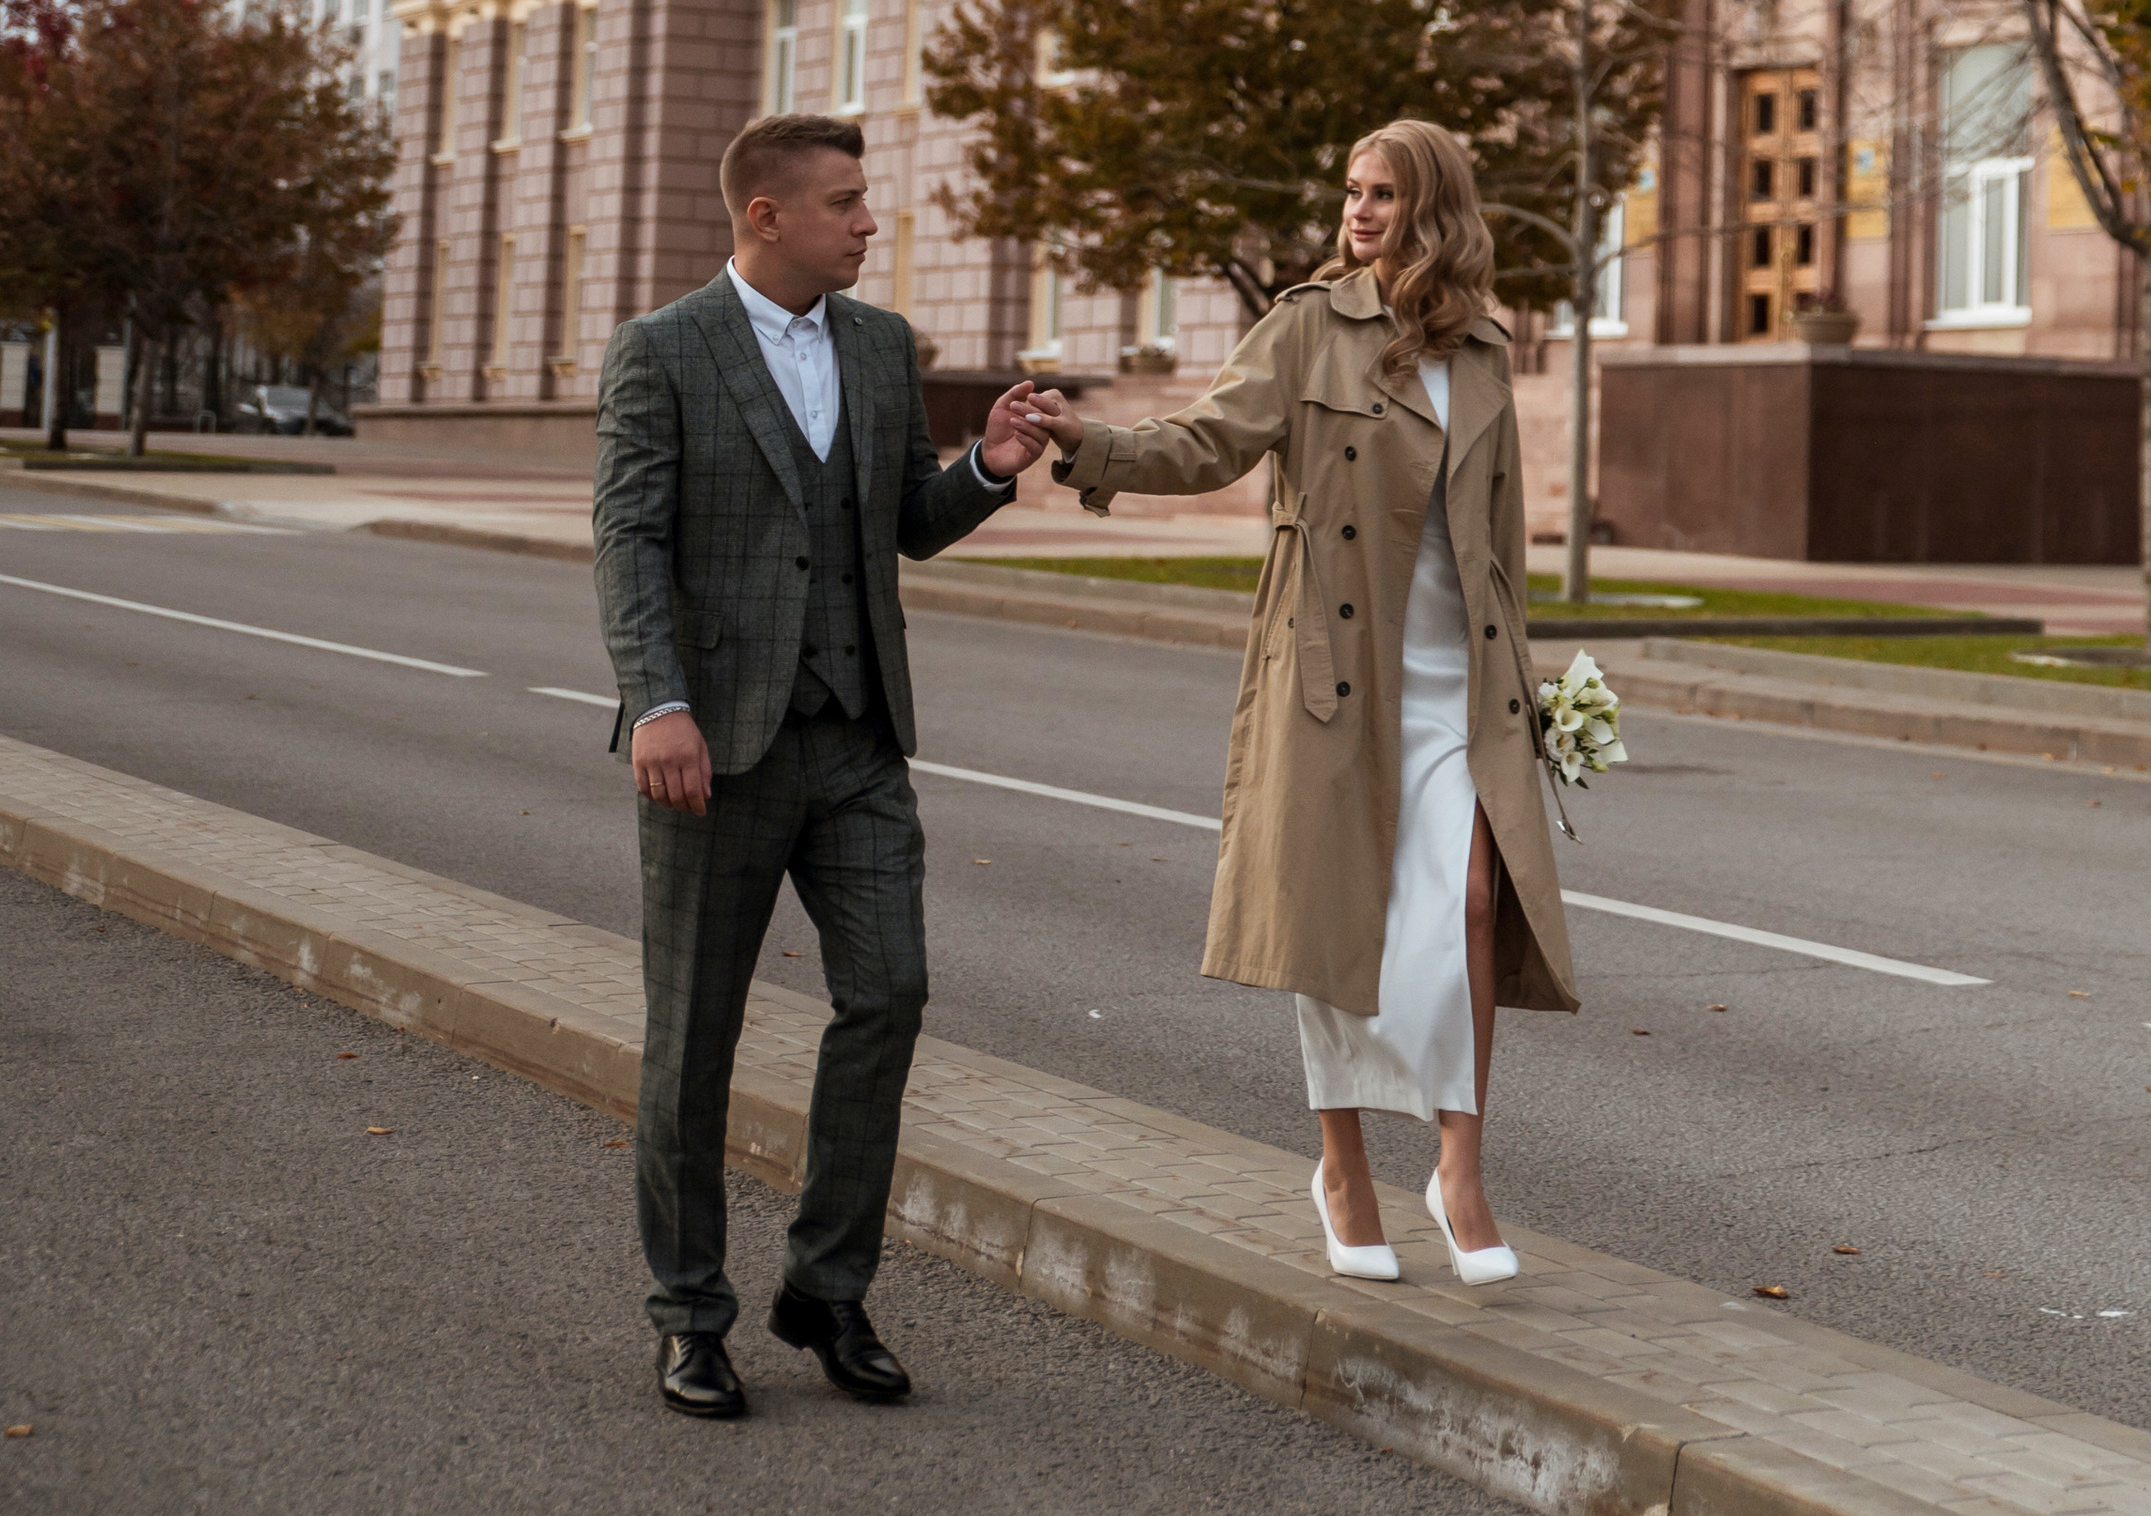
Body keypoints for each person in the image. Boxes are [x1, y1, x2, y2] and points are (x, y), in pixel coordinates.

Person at [1027, 117, 1574, 1286]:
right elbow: (1204, 440)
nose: (1357, 212)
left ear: (1434, 209)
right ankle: (1342, 1167)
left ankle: (1459, 1168)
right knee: (1336, 919)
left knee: (1472, 905)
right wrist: (1089, 443)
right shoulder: (1308, 325)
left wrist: (1527, 688)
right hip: (1336, 669)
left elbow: (1502, 540)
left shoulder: (1484, 348)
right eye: (1351, 191)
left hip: (1459, 675)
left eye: (1383, 193)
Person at [594, 112, 1054, 1418]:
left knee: (890, 994)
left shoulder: (879, 344)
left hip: (855, 740)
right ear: (767, 215)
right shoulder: (662, 348)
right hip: (714, 750)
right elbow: (629, 540)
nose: (868, 220)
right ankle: (690, 1314)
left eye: (865, 199)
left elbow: (905, 517)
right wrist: (659, 703)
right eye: (846, 200)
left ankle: (825, 1285)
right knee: (694, 1041)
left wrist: (986, 468)